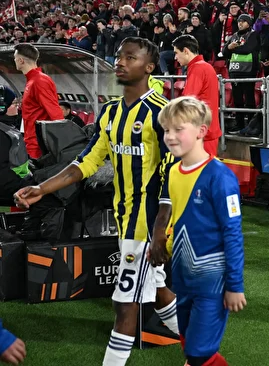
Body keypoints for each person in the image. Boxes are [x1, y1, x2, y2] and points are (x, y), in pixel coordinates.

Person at [14, 37, 179, 366]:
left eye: (130, 57)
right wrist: (43, 188)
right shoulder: (111, 112)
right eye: (119, 56)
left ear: (149, 67)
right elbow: (86, 162)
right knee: (158, 288)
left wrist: (160, 228)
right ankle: (205, 349)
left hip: (150, 223)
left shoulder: (162, 113)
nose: (120, 62)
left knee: (125, 305)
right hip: (125, 217)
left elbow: (173, 173)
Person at [149, 97, 245, 366]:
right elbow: (180, 221)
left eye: (178, 129)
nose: (170, 136)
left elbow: (233, 234)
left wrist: (235, 286)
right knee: (189, 344)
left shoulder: (220, 177)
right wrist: (164, 249)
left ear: (201, 131)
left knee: (198, 353)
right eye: (166, 130)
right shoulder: (173, 172)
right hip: (182, 278)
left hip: (212, 281)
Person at [13, 44, 64, 159]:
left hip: (38, 147)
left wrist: (60, 145)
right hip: (31, 143)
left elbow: (55, 113)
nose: (14, 61)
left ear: (21, 60)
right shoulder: (33, 80)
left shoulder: (39, 81)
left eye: (15, 58)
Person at [173, 35, 222, 156]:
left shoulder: (197, 68)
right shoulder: (204, 66)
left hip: (202, 134)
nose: (175, 57)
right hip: (207, 130)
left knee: (200, 168)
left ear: (186, 51)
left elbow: (187, 101)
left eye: (176, 53)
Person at [223, 14, 260, 132]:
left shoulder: (253, 34)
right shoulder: (234, 36)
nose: (240, 23)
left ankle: (250, 126)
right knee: (237, 100)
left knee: (249, 99)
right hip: (235, 71)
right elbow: (224, 52)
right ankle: (239, 125)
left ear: (249, 23)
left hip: (249, 71)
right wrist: (229, 47)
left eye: (243, 21)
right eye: (239, 21)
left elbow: (247, 49)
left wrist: (232, 48)